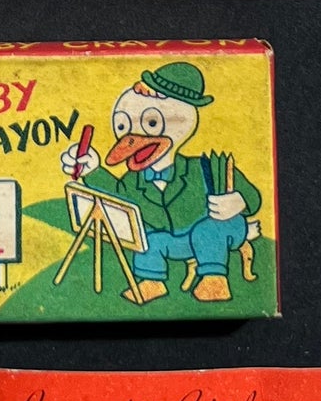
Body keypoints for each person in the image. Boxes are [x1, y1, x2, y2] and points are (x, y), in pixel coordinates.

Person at [82, 58, 261, 304]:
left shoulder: (204, 168)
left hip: (222, 231)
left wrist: (239, 201)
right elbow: (116, 193)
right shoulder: (134, 181)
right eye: (123, 125)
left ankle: (215, 280)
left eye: (151, 123)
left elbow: (253, 197)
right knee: (150, 239)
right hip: (179, 241)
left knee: (206, 230)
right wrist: (92, 170)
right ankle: (151, 282)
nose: (134, 136)